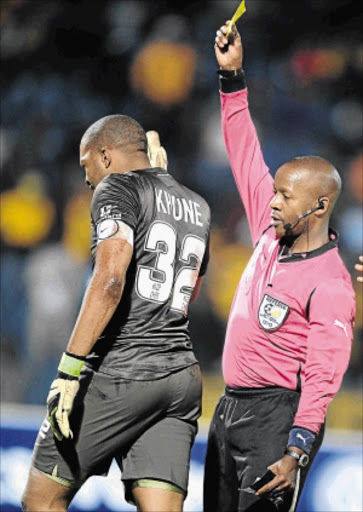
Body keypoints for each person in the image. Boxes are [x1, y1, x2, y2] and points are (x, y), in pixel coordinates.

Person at [203, 22, 356, 512]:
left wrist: (296, 450)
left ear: (318, 206)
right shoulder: (270, 234)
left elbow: (322, 377)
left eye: (286, 197)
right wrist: (232, 79)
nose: (272, 202)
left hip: (277, 417)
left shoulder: (331, 283)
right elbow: (243, 149)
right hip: (228, 408)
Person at [22, 118, 211, 512]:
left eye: (86, 164)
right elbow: (190, 290)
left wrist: (70, 369)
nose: (87, 178)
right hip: (180, 379)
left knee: (41, 499)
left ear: (105, 155)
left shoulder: (116, 187)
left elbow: (109, 280)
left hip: (123, 370)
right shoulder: (198, 204)